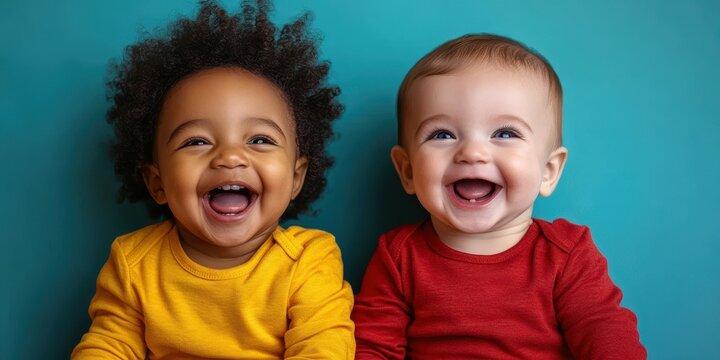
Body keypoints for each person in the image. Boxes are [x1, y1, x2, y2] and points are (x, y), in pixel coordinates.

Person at [72, 1, 354, 358]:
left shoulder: (308, 260)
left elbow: (324, 346)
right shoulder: (133, 262)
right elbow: (108, 344)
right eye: (197, 141)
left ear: (296, 178)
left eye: (259, 140)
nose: (230, 156)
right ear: (157, 183)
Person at [352, 34, 646, 359]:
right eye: (442, 134)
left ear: (548, 171)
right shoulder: (398, 257)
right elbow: (372, 348)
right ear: (407, 171)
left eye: (505, 133)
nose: (472, 152)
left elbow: (605, 334)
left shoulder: (567, 254)